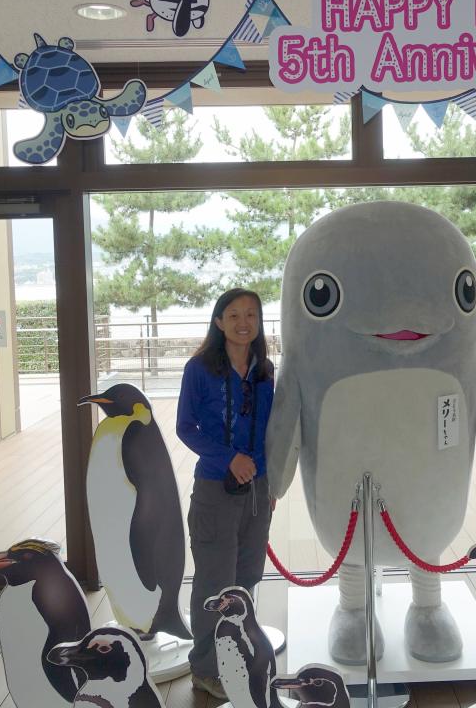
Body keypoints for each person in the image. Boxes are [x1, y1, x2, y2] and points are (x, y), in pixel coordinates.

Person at [176, 288, 276, 699]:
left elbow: (273, 430)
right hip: (216, 488)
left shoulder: (265, 370)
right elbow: (186, 428)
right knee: (215, 584)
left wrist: (271, 481)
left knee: (248, 577)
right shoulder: (199, 369)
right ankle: (205, 668)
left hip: (258, 490)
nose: (243, 322)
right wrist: (229, 457)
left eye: (251, 314)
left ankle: (238, 651)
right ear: (218, 322)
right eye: (233, 314)